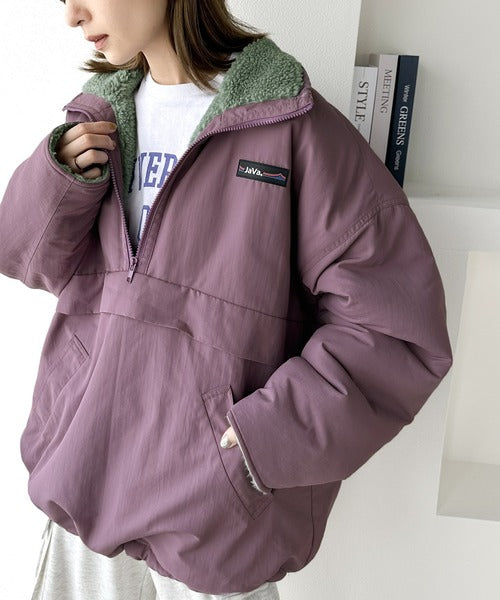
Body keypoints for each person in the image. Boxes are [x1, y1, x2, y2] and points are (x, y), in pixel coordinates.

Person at [0, 0, 454, 598]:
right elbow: (25, 258)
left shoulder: (290, 125)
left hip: (215, 519)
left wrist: (265, 438)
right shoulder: (95, 124)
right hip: (83, 484)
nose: (72, 15)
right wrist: (57, 177)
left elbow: (394, 328)